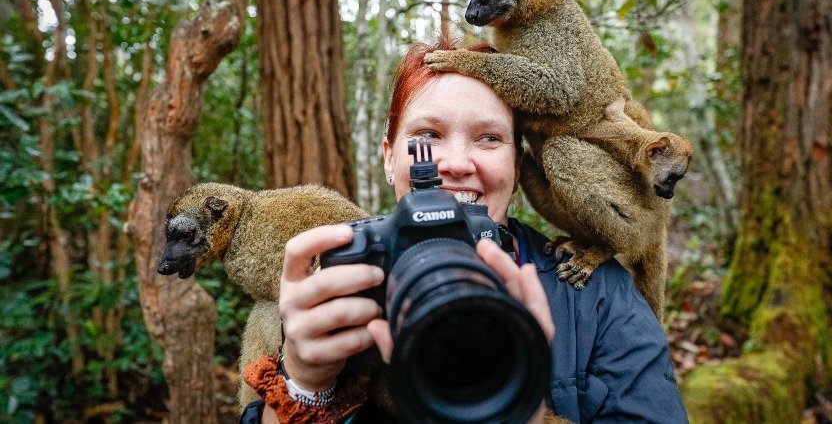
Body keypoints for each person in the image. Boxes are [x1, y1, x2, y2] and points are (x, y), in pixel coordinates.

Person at [241, 39, 688, 423]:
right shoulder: (344, 283)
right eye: (427, 137)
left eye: (489, 139)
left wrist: (520, 401)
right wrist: (303, 384)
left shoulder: (597, 298)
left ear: (518, 165)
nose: (455, 164)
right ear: (389, 157)